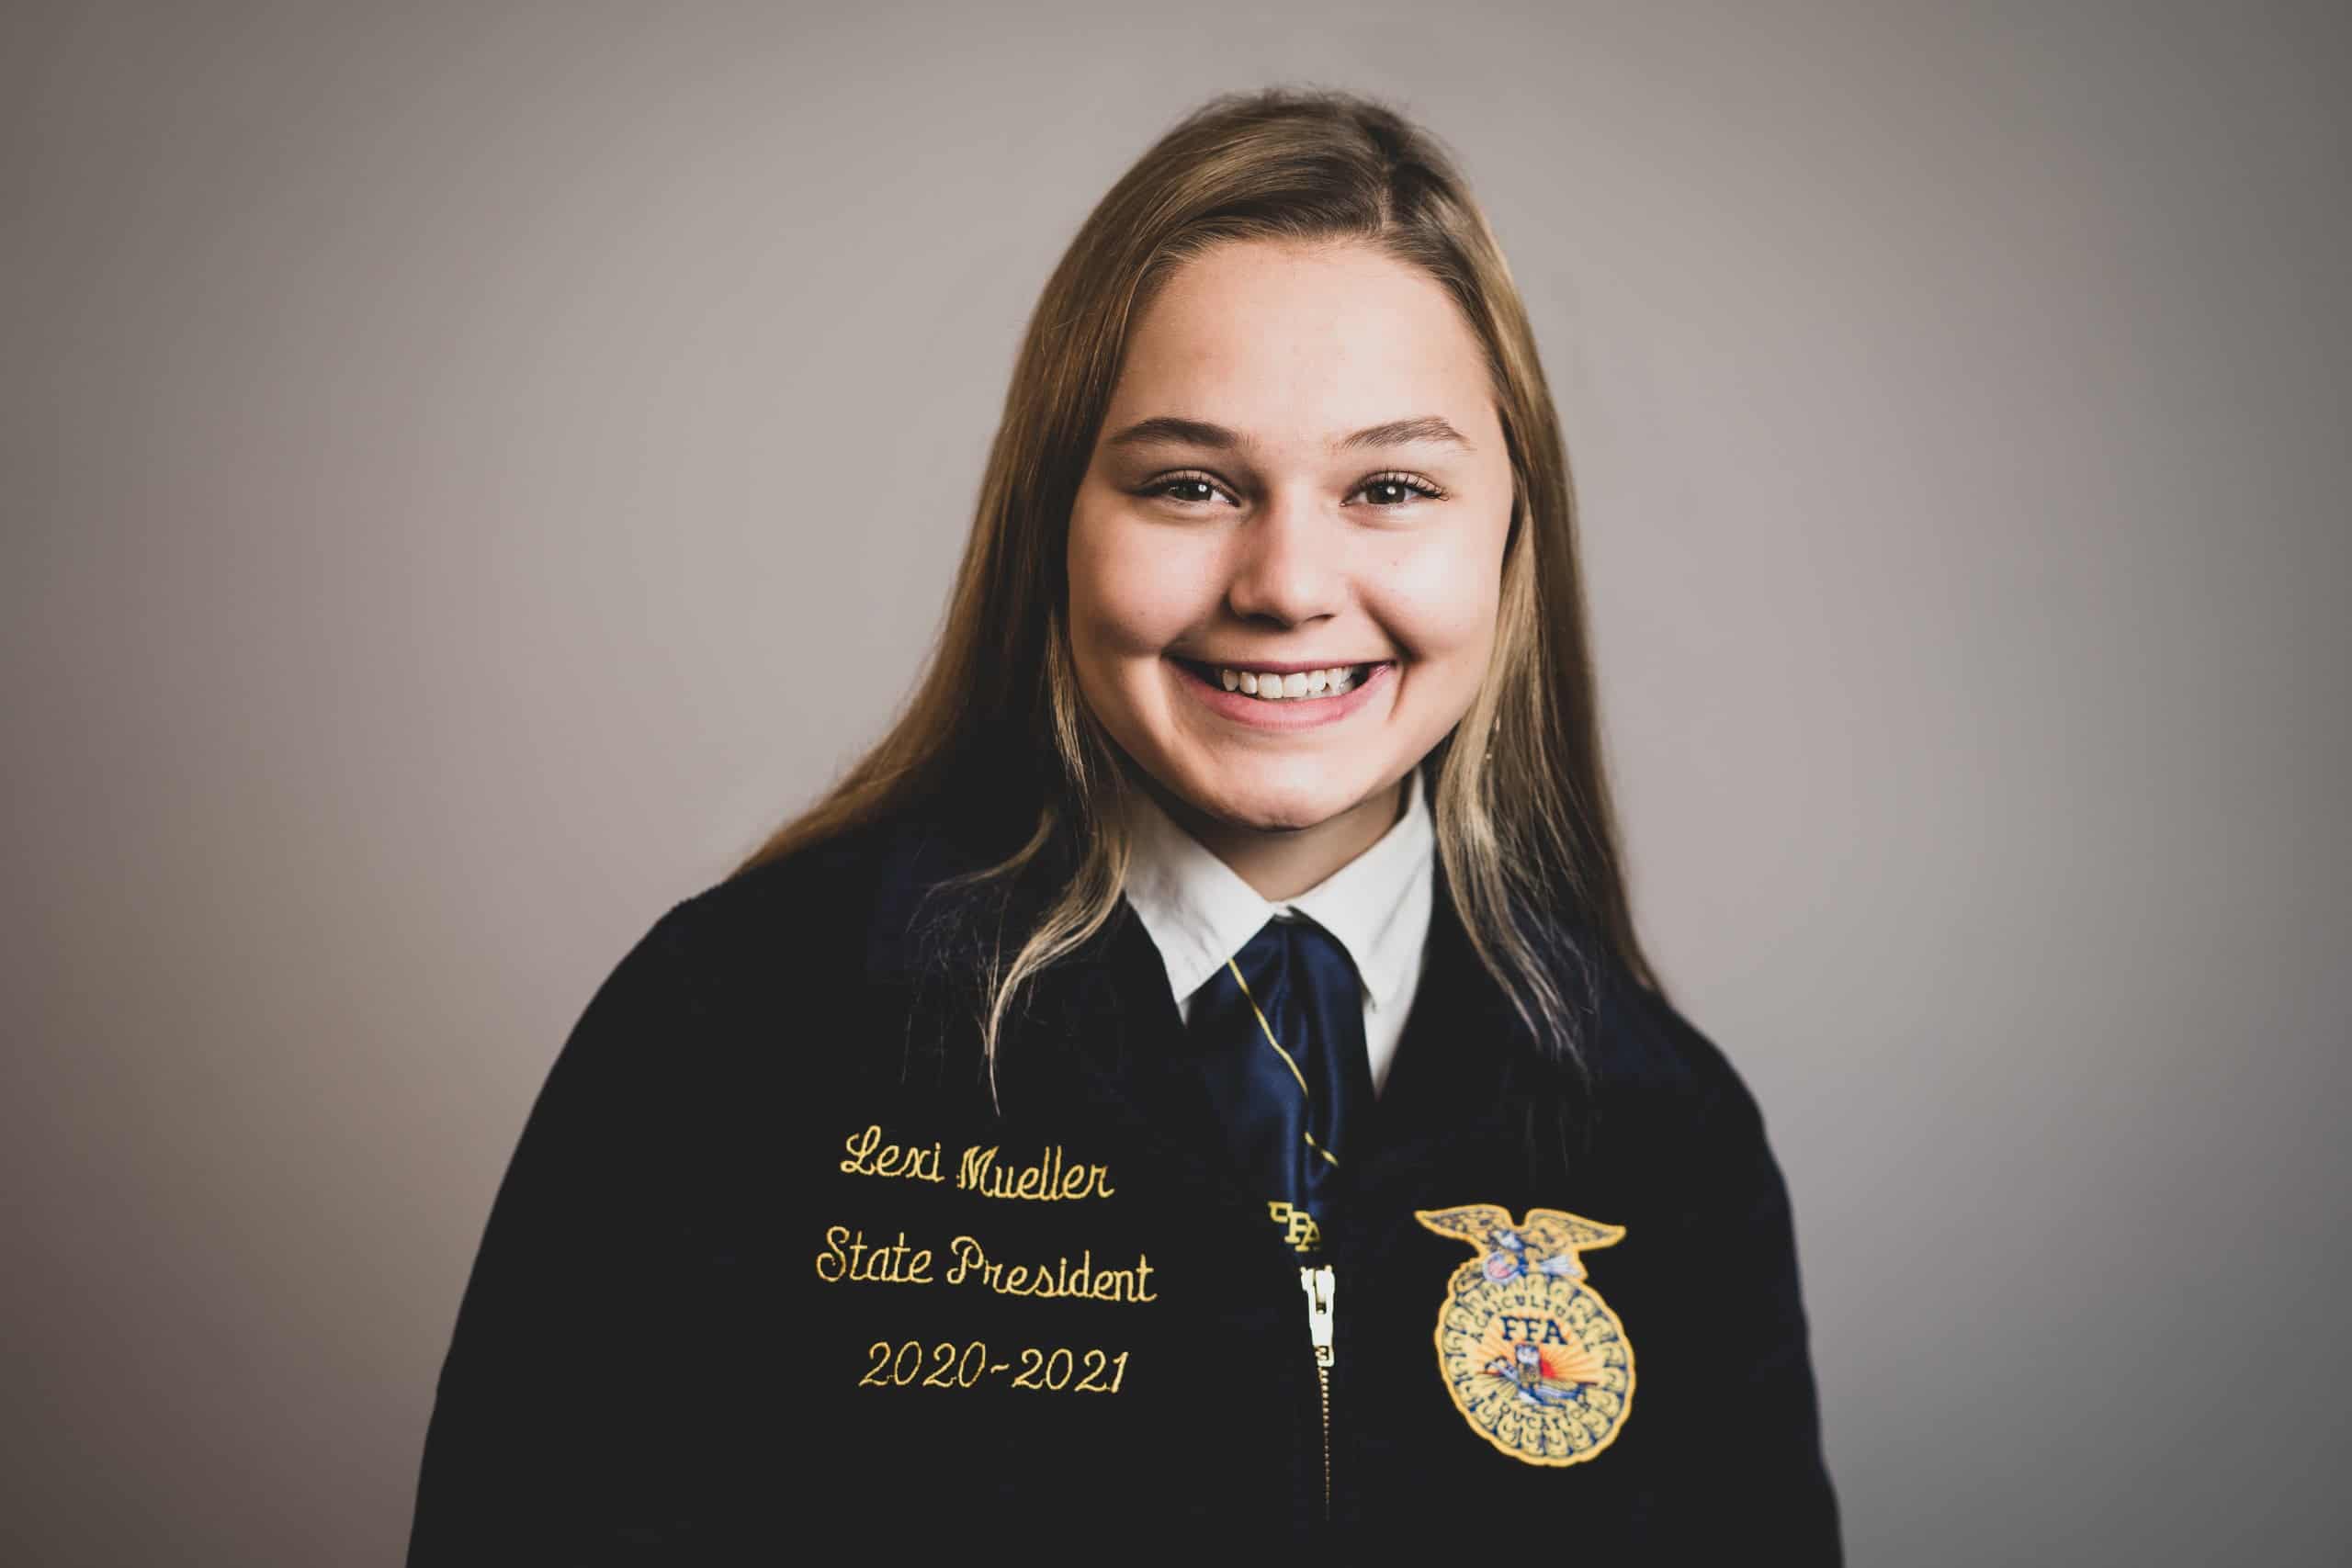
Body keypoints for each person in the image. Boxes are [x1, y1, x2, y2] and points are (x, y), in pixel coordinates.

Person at [405, 85, 1841, 1558]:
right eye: (1190, 484)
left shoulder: (1664, 1133)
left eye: (1391, 486)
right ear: (1056, 523)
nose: (1286, 581)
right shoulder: (738, 1033)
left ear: (1510, 540)